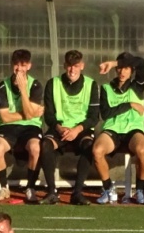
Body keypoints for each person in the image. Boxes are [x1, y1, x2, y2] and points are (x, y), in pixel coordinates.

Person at [38, 49, 100, 206]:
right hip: (60, 129)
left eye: (76, 66)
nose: (72, 70)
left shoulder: (91, 84)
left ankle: (77, 193)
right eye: (69, 65)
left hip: (81, 130)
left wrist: (77, 130)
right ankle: (52, 192)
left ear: (82, 66)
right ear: (64, 65)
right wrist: (59, 128)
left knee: (89, 146)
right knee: (45, 145)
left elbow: (94, 117)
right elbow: (48, 115)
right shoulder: (53, 83)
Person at [91, 52, 144, 205]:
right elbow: (106, 113)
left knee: (141, 150)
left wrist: (113, 63)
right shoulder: (106, 88)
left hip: (133, 129)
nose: (122, 72)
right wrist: (129, 105)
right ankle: (108, 188)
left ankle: (140, 189)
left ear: (131, 70)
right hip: (113, 129)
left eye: (126, 68)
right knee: (97, 151)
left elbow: (141, 62)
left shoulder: (137, 86)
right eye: (119, 68)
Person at [0, 49, 45, 203]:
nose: (19, 69)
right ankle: (4, 187)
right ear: (12, 65)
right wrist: (29, 113)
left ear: (29, 66)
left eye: (23, 65)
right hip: (8, 127)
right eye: (16, 65)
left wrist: (23, 90)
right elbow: (5, 117)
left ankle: (30, 187)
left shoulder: (35, 85)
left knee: (35, 148)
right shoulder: (2, 86)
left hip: (31, 127)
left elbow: (30, 116)